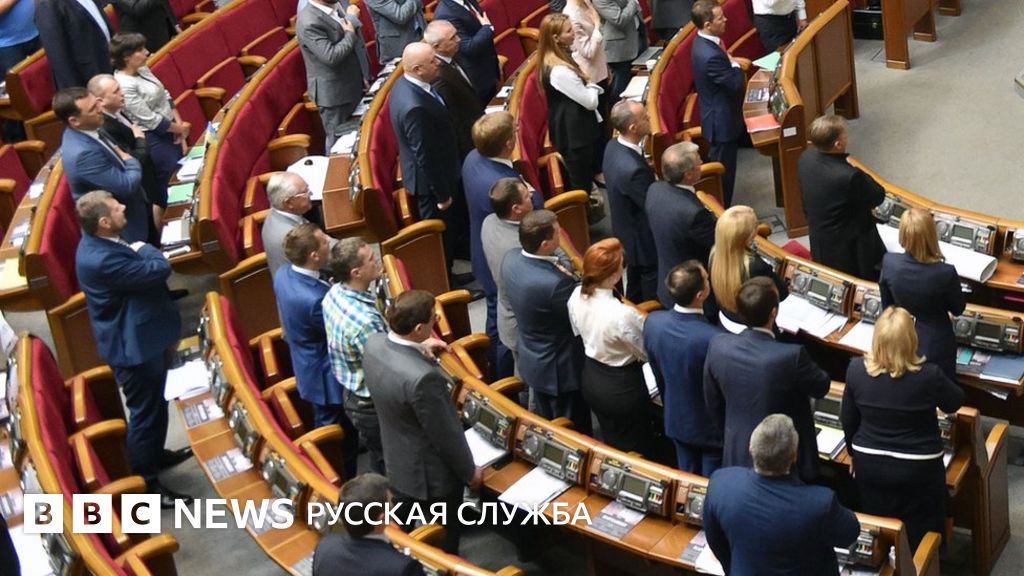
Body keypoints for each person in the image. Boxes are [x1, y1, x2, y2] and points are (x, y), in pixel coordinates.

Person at [74, 191, 193, 505]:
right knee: (145, 414)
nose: (123, 207)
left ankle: (155, 455)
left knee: (155, 406)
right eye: (117, 208)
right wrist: (147, 249)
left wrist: (140, 251)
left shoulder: (103, 240)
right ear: (103, 222)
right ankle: (147, 484)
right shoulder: (102, 257)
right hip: (134, 347)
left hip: (143, 335)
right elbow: (158, 270)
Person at [363, 290, 483, 553]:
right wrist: (469, 472)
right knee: (446, 536)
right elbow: (445, 435)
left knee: (401, 531)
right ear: (418, 329)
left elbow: (397, 358)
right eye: (433, 318)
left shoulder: (374, 344)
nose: (436, 320)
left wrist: (418, 348)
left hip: (397, 459)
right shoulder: (423, 379)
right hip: (432, 475)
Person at [842, 306, 964, 549]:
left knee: (880, 524)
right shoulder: (929, 375)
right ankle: (925, 559)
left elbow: (848, 419)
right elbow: (955, 401)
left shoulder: (856, 370)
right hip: (918, 468)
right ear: (912, 339)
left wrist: (853, 454)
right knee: (922, 528)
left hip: (870, 465)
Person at [703, 277, 830, 481]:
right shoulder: (791, 356)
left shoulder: (719, 346)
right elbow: (821, 386)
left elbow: (713, 402)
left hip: (737, 448)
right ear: (774, 313)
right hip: (786, 457)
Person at [703, 414, 860, 575]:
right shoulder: (820, 504)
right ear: (794, 456)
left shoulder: (720, 483)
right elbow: (850, 533)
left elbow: (715, 540)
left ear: (750, 449)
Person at [273, 224, 360, 480]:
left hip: (305, 360)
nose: (329, 244)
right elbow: (342, 331)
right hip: (325, 373)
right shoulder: (314, 302)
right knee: (335, 433)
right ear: (313, 255)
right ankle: (338, 481)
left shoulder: (284, 273)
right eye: (324, 243)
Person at [463, 116, 541, 380]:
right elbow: (535, 208)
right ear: (508, 143)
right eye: (515, 131)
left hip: (484, 248)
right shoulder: (497, 182)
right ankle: (505, 380)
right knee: (505, 323)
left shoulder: (473, 158)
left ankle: (497, 371)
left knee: (495, 314)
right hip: (501, 259)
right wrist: (531, 193)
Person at [502, 210, 591, 432]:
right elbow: (581, 314)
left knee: (548, 424)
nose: (561, 235)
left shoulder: (510, 258)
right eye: (557, 233)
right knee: (572, 431)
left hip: (533, 360)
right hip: (560, 371)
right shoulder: (555, 284)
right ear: (545, 244)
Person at [482, 178, 571, 380]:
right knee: (532, 380)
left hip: (507, 311)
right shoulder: (521, 247)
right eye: (526, 195)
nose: (531, 195)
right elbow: (563, 269)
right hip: (527, 327)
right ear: (516, 209)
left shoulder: (489, 222)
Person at [568, 238, 652, 453]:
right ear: (615, 275)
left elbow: (577, 331)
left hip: (592, 375)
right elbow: (645, 351)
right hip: (622, 387)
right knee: (636, 444)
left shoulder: (576, 295)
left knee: (611, 436)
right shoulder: (622, 314)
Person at [644, 261, 724, 475]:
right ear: (700, 294)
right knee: (709, 484)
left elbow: (658, 373)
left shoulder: (653, 323)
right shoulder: (714, 339)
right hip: (710, 428)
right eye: (706, 279)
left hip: (675, 417)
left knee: (686, 481)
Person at [389, 42, 463, 272]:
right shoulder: (415, 107)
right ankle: (446, 278)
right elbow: (425, 155)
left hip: (438, 170)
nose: (438, 63)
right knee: (440, 235)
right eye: (432, 61)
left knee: (450, 230)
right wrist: (442, 194)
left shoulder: (404, 84)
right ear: (417, 69)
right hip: (431, 185)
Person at [323, 238, 388, 475]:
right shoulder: (365, 322)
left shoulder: (334, 292)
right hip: (371, 404)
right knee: (390, 462)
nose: (377, 260)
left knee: (379, 455)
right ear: (356, 272)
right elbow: (386, 367)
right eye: (371, 259)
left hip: (352, 393)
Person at [111, 32, 189, 231]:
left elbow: (165, 95)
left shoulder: (142, 69)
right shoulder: (123, 85)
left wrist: (180, 126)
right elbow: (150, 120)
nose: (147, 52)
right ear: (126, 57)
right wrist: (180, 130)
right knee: (170, 188)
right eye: (140, 50)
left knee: (185, 178)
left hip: (172, 128)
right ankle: (169, 234)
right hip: (156, 139)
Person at [55, 87, 151, 244]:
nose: (100, 109)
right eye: (93, 108)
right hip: (123, 227)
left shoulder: (90, 126)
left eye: (97, 103)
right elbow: (127, 185)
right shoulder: (83, 155)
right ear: (74, 121)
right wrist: (131, 161)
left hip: (136, 209)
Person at [879, 208, 966, 379]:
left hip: (900, 341)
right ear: (931, 235)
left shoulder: (889, 262)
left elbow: (887, 307)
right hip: (936, 347)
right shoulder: (945, 272)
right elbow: (958, 309)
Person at [798, 114, 886, 280]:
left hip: (820, 240)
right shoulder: (849, 176)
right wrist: (852, 169)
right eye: (845, 135)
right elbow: (877, 195)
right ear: (838, 144)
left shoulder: (805, 158)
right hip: (851, 250)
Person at [87, 74, 161, 246]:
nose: (122, 93)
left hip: (146, 185)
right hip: (137, 191)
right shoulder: (106, 127)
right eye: (116, 91)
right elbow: (131, 161)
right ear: (100, 101)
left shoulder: (118, 112)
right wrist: (141, 140)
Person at [537, 13, 603, 194]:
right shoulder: (559, 70)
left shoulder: (560, 57)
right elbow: (590, 102)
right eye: (568, 31)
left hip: (575, 130)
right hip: (574, 135)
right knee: (581, 185)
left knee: (583, 178)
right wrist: (591, 83)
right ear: (555, 38)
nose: (573, 33)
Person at [645, 141, 716, 309]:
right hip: (693, 292)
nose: (702, 163)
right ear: (688, 175)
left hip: (667, 280)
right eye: (698, 161)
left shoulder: (654, 189)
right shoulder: (694, 214)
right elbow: (718, 243)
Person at [313, 473, 425, 576]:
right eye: (391, 501)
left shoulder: (325, 546)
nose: (393, 505)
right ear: (382, 518)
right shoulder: (404, 568)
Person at [691, 0, 744, 207]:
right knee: (724, 177)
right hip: (721, 124)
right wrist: (734, 64)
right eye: (720, 18)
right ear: (707, 24)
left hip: (718, 115)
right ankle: (723, 213)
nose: (726, 20)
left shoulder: (704, 42)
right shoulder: (711, 55)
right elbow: (735, 84)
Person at [603, 100, 657, 302]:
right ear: (633, 128)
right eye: (644, 117)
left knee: (634, 284)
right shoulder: (633, 170)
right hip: (641, 239)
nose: (650, 117)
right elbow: (651, 204)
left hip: (624, 229)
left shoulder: (613, 146)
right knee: (649, 292)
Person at [296, 0, 367, 151]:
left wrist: (363, 75)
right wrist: (350, 31)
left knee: (358, 137)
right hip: (334, 95)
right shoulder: (308, 21)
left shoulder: (334, 6)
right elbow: (331, 56)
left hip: (351, 84)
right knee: (338, 145)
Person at [707, 205, 787, 330]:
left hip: (725, 319)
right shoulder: (755, 266)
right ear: (748, 235)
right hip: (751, 326)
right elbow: (782, 293)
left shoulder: (715, 253)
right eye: (755, 226)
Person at [424, 19, 485, 160]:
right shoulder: (438, 77)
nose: (459, 39)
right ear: (437, 46)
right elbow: (455, 121)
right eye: (452, 38)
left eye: (456, 34)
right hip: (472, 142)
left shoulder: (453, 54)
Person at [263, 171, 336, 275]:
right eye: (305, 192)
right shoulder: (292, 236)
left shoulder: (277, 210)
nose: (311, 194)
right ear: (289, 202)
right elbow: (332, 259)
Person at [432, 0, 500, 103]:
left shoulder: (468, 1)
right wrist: (488, 28)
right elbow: (468, 47)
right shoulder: (445, 14)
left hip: (488, 65)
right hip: (476, 74)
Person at [34, 0, 111, 89]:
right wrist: (76, 92)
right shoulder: (47, 5)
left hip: (108, 62)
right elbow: (58, 56)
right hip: (88, 77)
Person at [0, 0, 40, 142]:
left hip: (34, 33)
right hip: (7, 46)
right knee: (17, 101)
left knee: (42, 92)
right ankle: (20, 144)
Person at [593, 0, 647, 102]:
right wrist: (633, 2)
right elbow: (619, 19)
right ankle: (618, 110)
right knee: (621, 88)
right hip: (619, 49)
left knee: (640, 82)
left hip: (637, 38)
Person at [111, 0, 178, 52]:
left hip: (163, 30)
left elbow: (164, 3)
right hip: (144, 41)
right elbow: (136, 8)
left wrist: (174, 25)